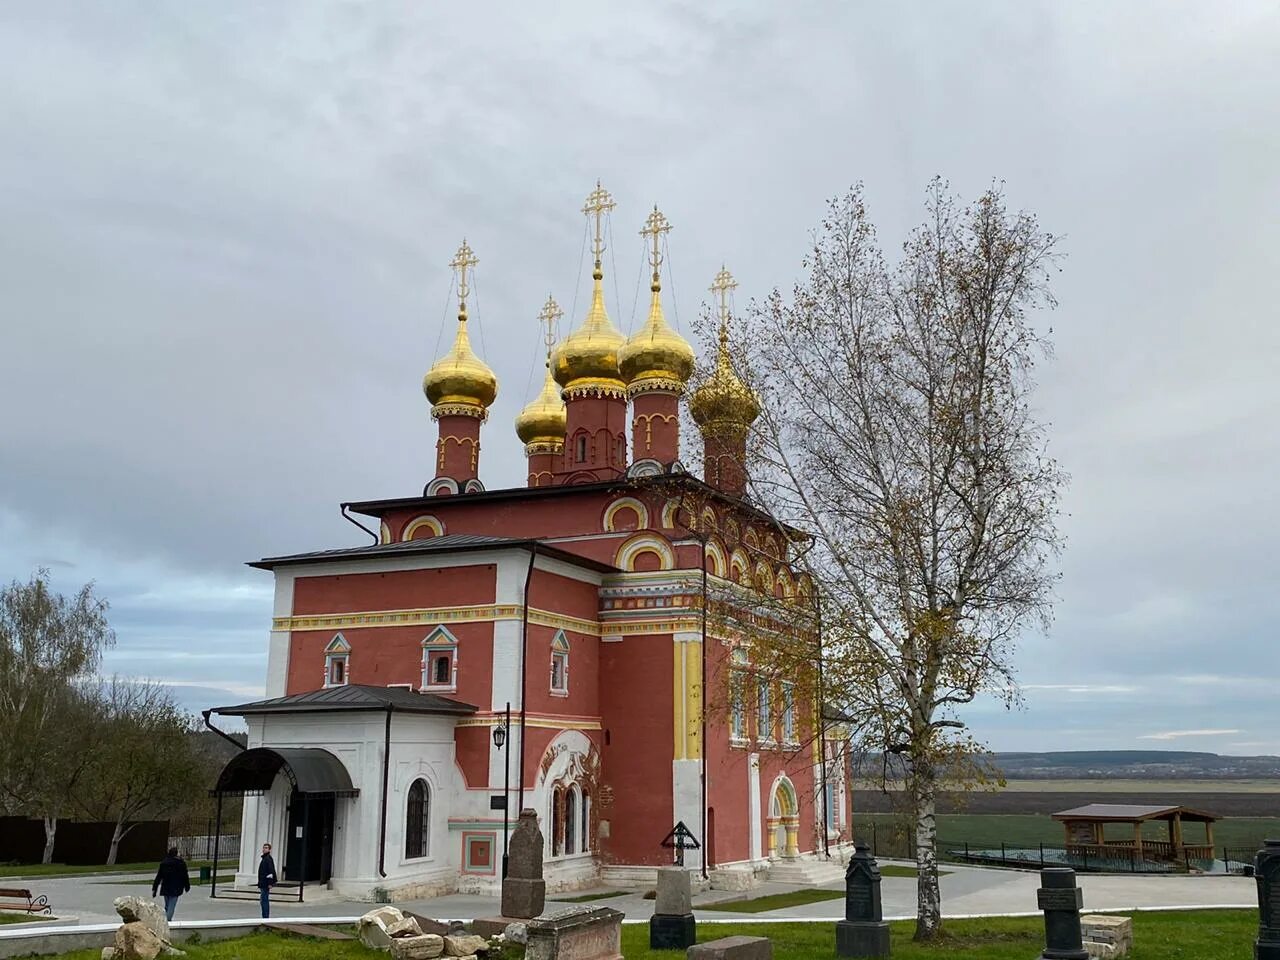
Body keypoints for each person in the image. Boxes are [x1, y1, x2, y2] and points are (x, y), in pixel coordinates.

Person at [151, 846, 191, 921]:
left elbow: (159, 876)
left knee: (167, 905)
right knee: (171, 906)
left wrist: (154, 888)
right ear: (176, 854)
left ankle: (166, 919)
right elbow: (185, 875)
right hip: (176, 888)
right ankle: (167, 921)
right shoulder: (180, 863)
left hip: (166, 887)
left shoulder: (164, 863)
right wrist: (187, 886)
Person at [257, 842, 276, 918]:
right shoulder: (265, 858)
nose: (264, 849)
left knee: (264, 900)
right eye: (264, 847)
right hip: (263, 882)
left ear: (269, 850)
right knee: (263, 900)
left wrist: (270, 883)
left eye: (266, 848)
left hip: (265, 883)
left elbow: (271, 872)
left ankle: (265, 916)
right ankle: (264, 915)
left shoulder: (268, 859)